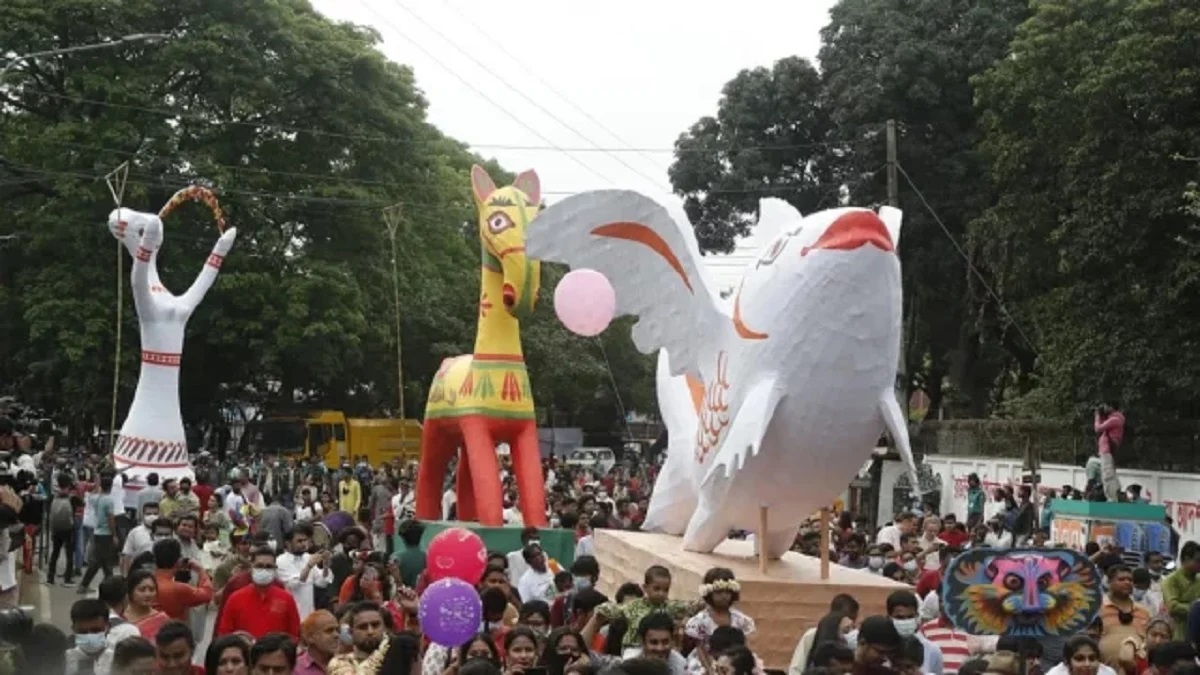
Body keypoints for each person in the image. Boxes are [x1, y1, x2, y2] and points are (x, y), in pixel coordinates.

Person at [217, 546, 301, 639]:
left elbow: (294, 634)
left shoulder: (286, 599)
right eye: (259, 566)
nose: (264, 570)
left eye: (269, 566)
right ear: (251, 567)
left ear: (275, 568)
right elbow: (224, 633)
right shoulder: (235, 598)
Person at [683, 568, 755, 674]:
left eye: (727, 592)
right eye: (719, 592)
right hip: (706, 661)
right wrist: (710, 670)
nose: (724, 596)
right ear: (709, 592)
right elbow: (701, 649)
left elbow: (744, 646)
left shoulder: (740, 619)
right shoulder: (701, 620)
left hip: (734, 662)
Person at [276, 524, 333, 620]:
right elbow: (293, 584)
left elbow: (322, 583)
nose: (303, 544)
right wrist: (309, 566)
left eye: (305, 540)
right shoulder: (280, 561)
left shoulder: (307, 557)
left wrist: (326, 565)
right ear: (288, 543)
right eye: (299, 541)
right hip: (289, 616)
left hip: (309, 615)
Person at [151, 538, 214, 621]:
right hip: (173, 631)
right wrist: (200, 570)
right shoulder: (178, 588)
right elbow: (207, 594)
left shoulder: (145, 582)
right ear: (178, 560)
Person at [887, 590, 944, 674]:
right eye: (900, 617)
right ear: (889, 617)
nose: (906, 621)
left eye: (910, 616)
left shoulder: (932, 650)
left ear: (916, 616)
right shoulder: (883, 649)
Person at [78, 472, 118, 594]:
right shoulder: (109, 501)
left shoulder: (98, 498)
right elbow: (111, 519)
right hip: (105, 533)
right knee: (103, 561)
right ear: (111, 486)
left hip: (97, 531)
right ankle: (109, 587)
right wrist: (114, 534)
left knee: (102, 561)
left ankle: (105, 585)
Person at [328, 602, 388, 673]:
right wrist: (384, 647)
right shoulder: (339, 663)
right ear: (351, 632)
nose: (370, 632)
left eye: (375, 625)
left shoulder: (399, 656)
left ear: (384, 628)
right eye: (363, 627)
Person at [1162, 541, 1200, 639]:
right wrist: (1195, 609)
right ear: (1187, 559)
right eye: (1198, 560)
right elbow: (1173, 607)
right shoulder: (1171, 580)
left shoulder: (1198, 579)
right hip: (1178, 632)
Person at [48, 474, 80, 586]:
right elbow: (82, 504)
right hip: (68, 528)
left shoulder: (54, 496)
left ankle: (50, 578)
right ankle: (67, 579)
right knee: (69, 553)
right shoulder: (72, 498)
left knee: (55, 553)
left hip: (56, 528)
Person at [121, 569, 171, 639]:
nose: (147, 594)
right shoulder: (119, 618)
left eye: (151, 589)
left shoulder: (162, 620)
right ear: (130, 592)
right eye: (142, 590)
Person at [65, 598, 111, 675]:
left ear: (107, 627)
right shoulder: (64, 661)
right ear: (73, 629)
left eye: (96, 630)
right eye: (83, 632)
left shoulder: (117, 660)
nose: (89, 635)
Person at [1095, 404, 1126, 502]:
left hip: (1107, 449)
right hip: (1107, 449)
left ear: (1112, 407)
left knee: (1108, 474)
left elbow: (1098, 428)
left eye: (1106, 406)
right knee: (1109, 473)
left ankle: (1112, 498)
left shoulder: (1115, 419)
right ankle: (1114, 494)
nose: (1104, 408)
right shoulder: (1113, 419)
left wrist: (1097, 416)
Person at [295, 609, 340, 675]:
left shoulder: (348, 663)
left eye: (337, 630)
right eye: (329, 631)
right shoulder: (296, 669)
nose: (336, 635)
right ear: (310, 637)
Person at [121, 503, 160, 574]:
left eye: (155, 514)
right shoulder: (135, 532)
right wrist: (125, 577)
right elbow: (126, 555)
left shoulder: (166, 531)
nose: (152, 516)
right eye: (148, 514)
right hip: (140, 572)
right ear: (143, 515)